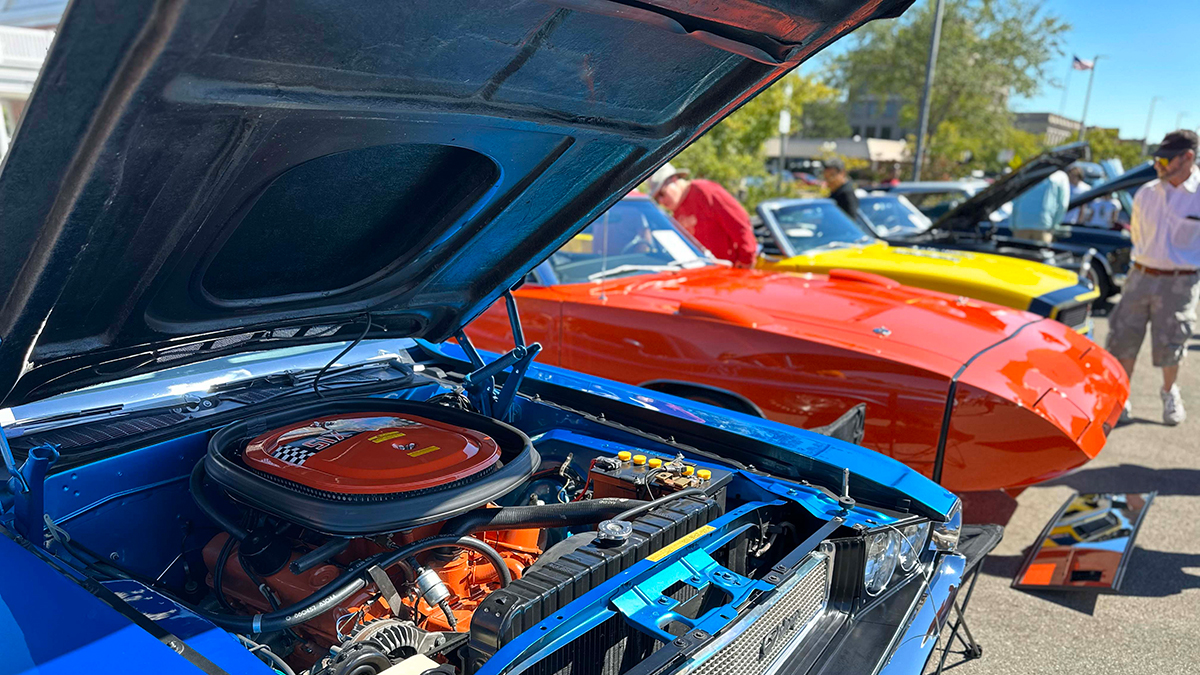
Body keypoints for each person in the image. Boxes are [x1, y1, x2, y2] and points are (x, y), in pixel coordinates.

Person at [1105, 130, 1200, 425]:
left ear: (1188, 157)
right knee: (1123, 338)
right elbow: (1138, 235)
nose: (1157, 164)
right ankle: (1121, 398)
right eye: (1156, 158)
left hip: (1179, 281)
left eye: (1165, 159)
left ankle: (1169, 392)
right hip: (1140, 275)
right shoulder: (1147, 192)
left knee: (1173, 342)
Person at [646, 163, 757, 268]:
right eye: (656, 198)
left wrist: (746, 259)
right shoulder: (676, 211)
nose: (661, 201)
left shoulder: (705, 190)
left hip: (728, 274)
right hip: (702, 276)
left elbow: (740, 223)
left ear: (674, 179)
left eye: (662, 193)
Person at [1009, 169, 1070, 243]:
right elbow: (1063, 204)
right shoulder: (1060, 176)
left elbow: (1015, 199)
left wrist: (1012, 224)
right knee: (1040, 253)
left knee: (1017, 253)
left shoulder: (1028, 172)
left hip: (1021, 221)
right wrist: (1054, 226)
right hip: (1043, 223)